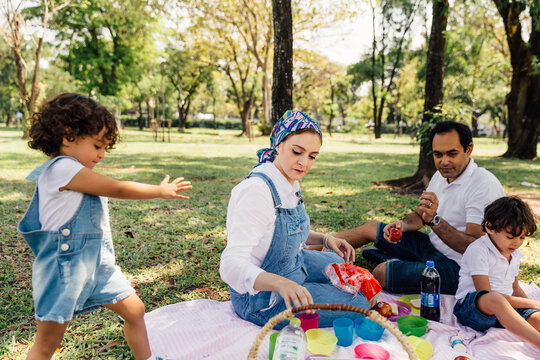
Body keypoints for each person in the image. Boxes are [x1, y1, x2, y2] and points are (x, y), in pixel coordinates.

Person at [17, 93, 192, 360]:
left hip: (97, 266)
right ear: (68, 137)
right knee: (46, 343)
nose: (101, 155)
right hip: (64, 269)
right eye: (97, 146)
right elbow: (116, 188)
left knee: (135, 311)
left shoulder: (73, 169)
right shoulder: (62, 168)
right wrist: (159, 190)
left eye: (104, 149)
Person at [220, 110, 368, 329]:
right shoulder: (256, 192)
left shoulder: (289, 180)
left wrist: (327, 239)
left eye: (312, 156)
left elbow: (283, 232)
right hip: (262, 299)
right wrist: (281, 284)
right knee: (359, 303)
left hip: (291, 263)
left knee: (346, 269)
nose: (304, 163)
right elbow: (230, 265)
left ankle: (305, 283)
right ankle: (291, 295)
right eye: (297, 151)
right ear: (278, 144)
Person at [332, 121, 505, 294]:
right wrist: (401, 225)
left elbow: (475, 248)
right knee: (370, 228)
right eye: (438, 154)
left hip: (462, 269)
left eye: (452, 154)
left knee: (382, 273)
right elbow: (420, 215)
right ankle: (312, 249)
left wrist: (435, 220)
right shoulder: (441, 175)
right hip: (432, 248)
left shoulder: (483, 185)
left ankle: (391, 260)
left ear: (468, 149)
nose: (444, 161)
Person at [453, 196, 540, 348]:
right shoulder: (478, 250)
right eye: (510, 237)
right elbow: (485, 293)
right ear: (489, 227)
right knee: (494, 298)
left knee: (537, 317)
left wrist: (530, 308)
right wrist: (533, 303)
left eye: (522, 237)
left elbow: (515, 288)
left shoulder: (514, 254)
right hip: (473, 310)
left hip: (504, 313)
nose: (517, 243)